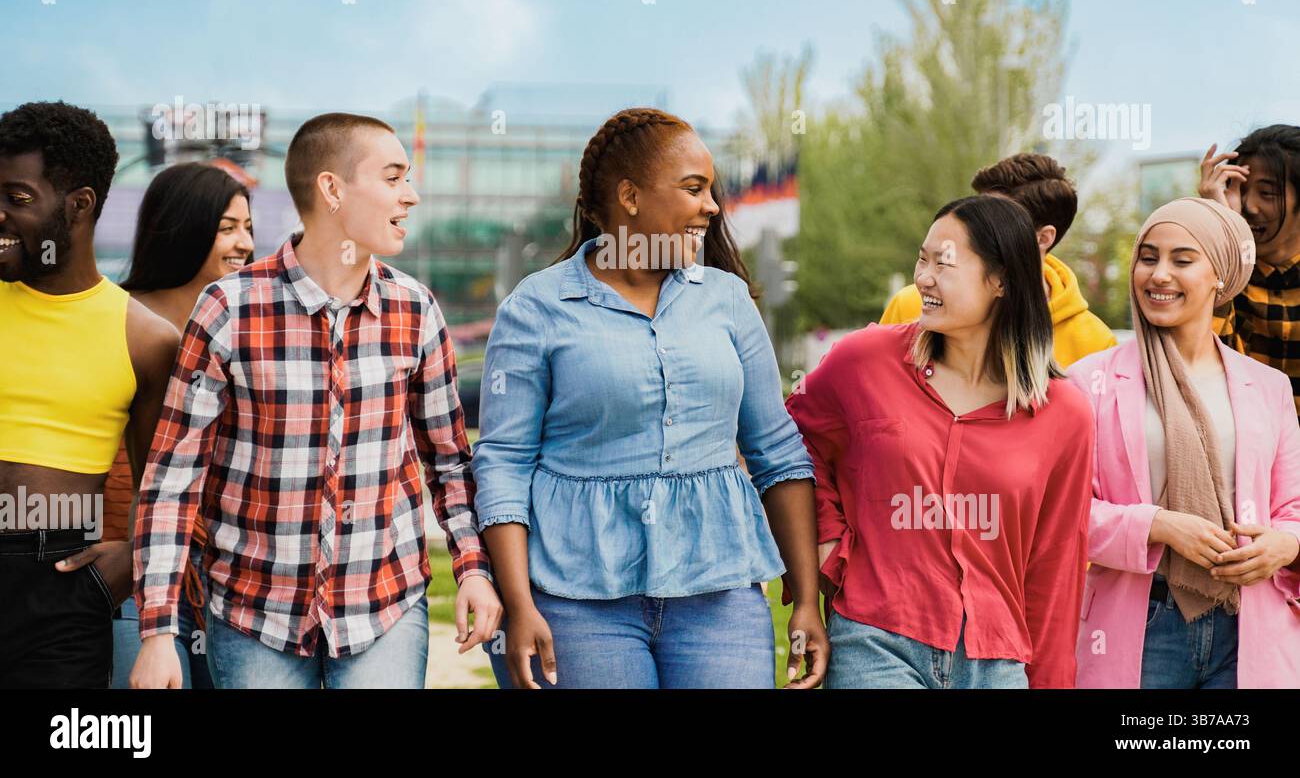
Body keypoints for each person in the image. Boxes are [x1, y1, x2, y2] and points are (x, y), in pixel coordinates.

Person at [129, 113, 502, 689]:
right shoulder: (227, 309)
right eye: (394, 177)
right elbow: (173, 478)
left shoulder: (416, 309)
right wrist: (157, 634)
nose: (412, 195)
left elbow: (449, 461)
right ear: (332, 189)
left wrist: (473, 570)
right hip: (255, 615)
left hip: (386, 607)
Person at [473, 108, 827, 689]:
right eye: (694, 188)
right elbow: (504, 462)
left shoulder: (727, 299)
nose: (712, 206)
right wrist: (519, 603)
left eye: (712, 190)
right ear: (630, 197)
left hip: (720, 593)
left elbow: (777, 452)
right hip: (572, 601)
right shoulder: (536, 308)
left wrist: (806, 601)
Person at [788, 195, 1094, 688]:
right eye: (922, 259)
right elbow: (792, 442)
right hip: (877, 639)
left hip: (996, 660)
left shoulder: (1066, 414)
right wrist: (829, 544)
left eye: (943, 263)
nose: (923, 278)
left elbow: (1055, 568)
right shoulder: (863, 362)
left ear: (1001, 280)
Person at [1068, 197, 1300, 688]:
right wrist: (1157, 524)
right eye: (1148, 257)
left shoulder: (1268, 386)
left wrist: (1284, 543)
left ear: (1219, 276)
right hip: (1142, 620)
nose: (1159, 274)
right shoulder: (1087, 381)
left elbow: (1293, 506)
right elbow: (1056, 515)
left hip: (1251, 622)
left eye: (1182, 259)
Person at [0, 101, 179, 688]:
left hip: (59, 589)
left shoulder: (146, 339)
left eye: (16, 199)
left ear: (79, 204)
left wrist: (127, 561)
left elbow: (167, 487)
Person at [104, 162, 256, 689]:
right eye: (227, 228)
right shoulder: (118, 321)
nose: (244, 243)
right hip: (133, 568)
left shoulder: (250, 323)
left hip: (229, 573)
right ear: (184, 227)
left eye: (248, 227)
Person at [881, 152, 1115, 367]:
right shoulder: (913, 305)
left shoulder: (1094, 345)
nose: (974, 228)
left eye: (997, 222)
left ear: (1043, 238)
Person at [1199, 125, 1300, 417]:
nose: (1249, 206)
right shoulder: (1217, 276)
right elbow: (1202, 367)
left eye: (1266, 193)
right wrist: (1222, 226)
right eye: (1240, 190)